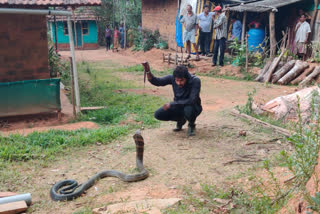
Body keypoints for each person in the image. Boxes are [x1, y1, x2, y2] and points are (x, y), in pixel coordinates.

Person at [146, 65, 202, 137]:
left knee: (188, 108)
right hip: (178, 106)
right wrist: (148, 71)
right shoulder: (172, 78)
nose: (179, 83)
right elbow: (157, 81)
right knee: (158, 114)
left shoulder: (195, 80)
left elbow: (192, 100)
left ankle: (191, 124)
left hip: (194, 107)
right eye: (177, 80)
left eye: (181, 80)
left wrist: (172, 104)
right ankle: (181, 120)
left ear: (186, 78)